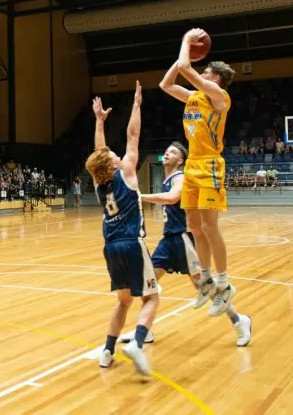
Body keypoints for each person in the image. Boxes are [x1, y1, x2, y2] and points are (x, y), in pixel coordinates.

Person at [121, 142, 252, 347]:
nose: (167, 153)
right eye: (166, 150)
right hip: (168, 241)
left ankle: (239, 320)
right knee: (147, 283)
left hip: (184, 240)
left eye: (172, 152)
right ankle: (144, 329)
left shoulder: (181, 178)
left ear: (180, 160)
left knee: (205, 288)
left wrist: (140, 196)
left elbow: (173, 198)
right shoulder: (167, 179)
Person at [159, 28, 237, 317]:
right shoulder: (193, 96)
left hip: (210, 165)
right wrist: (185, 57)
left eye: (205, 72)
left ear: (215, 78)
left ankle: (224, 284)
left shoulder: (219, 97)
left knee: (210, 226)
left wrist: (186, 43)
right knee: (194, 226)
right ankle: (206, 280)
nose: (200, 74)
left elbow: (185, 68)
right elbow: (166, 84)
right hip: (192, 164)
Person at [86, 81, 159, 376]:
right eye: (112, 154)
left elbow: (99, 151)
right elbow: (133, 135)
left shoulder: (98, 183)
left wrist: (99, 121)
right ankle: (137, 343)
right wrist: (137, 105)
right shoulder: (126, 172)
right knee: (151, 297)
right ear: (113, 163)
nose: (115, 153)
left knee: (123, 301)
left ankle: (107, 350)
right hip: (131, 242)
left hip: (111, 248)